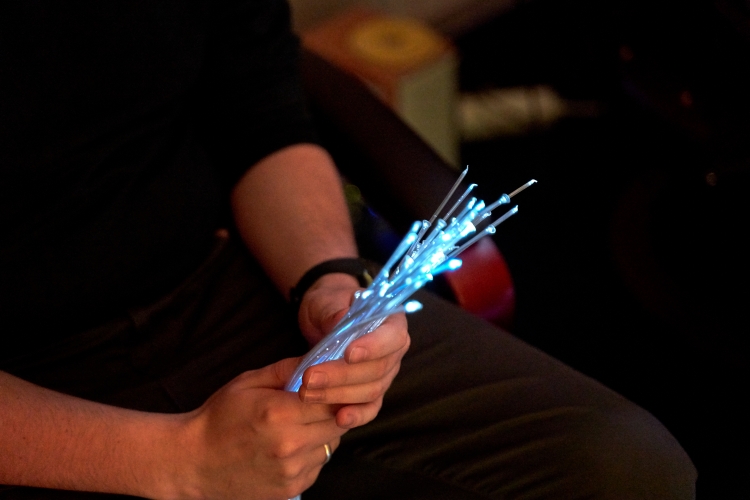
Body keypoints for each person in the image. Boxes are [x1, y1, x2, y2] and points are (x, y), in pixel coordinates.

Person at [0, 1, 695, 498]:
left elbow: (259, 115)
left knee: (622, 465)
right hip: (32, 393)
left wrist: (329, 283)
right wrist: (176, 461)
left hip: (227, 281)